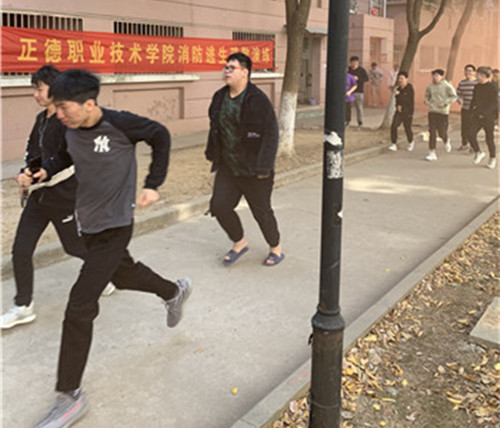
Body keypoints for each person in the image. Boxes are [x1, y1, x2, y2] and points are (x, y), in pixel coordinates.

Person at [31, 69, 192, 428]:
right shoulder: (68, 127)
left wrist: (152, 184)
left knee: (79, 305)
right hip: (89, 224)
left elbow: (160, 135)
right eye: (57, 107)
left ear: (89, 103)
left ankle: (70, 395)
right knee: (123, 273)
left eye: (65, 107)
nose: (59, 114)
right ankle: (173, 291)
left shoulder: (120, 124)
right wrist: (42, 170)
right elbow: (64, 157)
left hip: (116, 225)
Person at [1, 66, 115, 330]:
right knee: (21, 249)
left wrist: (42, 175)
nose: (35, 94)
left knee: (73, 247)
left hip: (64, 198)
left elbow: (69, 161)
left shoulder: (69, 121)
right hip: (38, 199)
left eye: (39, 89)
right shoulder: (41, 119)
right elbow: (33, 153)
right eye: (34, 89)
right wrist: (26, 173)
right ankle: (23, 306)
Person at [205, 52, 284, 267]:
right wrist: (213, 153)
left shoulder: (257, 100)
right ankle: (240, 242)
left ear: (245, 72)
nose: (227, 71)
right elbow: (215, 128)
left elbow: (271, 134)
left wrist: (264, 167)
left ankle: (275, 248)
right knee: (219, 207)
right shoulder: (219, 97)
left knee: (261, 212)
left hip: (254, 169)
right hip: (228, 167)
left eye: (232, 68)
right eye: (226, 67)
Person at [423, 69, 457, 161]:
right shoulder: (430, 86)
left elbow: (454, 96)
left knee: (442, 132)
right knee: (432, 132)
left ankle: (446, 140)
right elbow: (427, 95)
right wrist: (426, 100)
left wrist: (445, 103)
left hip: (443, 112)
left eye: (437, 75)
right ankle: (432, 152)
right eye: (434, 75)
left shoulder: (447, 86)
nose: (435, 77)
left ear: (441, 77)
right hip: (432, 111)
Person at [468, 66, 498, 169]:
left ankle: (492, 158)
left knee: (489, 138)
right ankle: (478, 152)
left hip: (488, 116)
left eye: (479, 74)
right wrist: (471, 111)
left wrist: (485, 113)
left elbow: (494, 103)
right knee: (470, 134)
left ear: (485, 76)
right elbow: (474, 100)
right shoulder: (477, 87)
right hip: (477, 115)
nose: (476, 76)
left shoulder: (492, 87)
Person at [389, 71, 415, 152]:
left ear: (406, 79)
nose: (400, 80)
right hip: (399, 111)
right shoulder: (398, 89)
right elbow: (397, 100)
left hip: (407, 111)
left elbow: (408, 100)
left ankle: (411, 142)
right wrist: (397, 106)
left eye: (402, 78)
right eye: (399, 78)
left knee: (407, 127)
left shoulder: (409, 88)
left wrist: (399, 95)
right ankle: (393, 143)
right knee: (394, 126)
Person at [455, 64, 477, 151]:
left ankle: (473, 145)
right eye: (467, 71)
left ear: (474, 72)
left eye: (470, 71)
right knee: (464, 126)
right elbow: (457, 94)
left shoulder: (477, 83)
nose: (468, 73)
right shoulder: (462, 83)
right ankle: (464, 143)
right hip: (465, 108)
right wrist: (459, 99)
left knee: (472, 127)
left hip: (475, 109)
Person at [348, 56, 369, 127]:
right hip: (349, 91)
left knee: (359, 107)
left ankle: (360, 122)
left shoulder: (361, 70)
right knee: (348, 107)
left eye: (355, 62)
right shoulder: (348, 70)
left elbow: (366, 79)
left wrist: (358, 79)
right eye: (352, 62)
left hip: (359, 91)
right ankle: (347, 121)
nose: (354, 63)